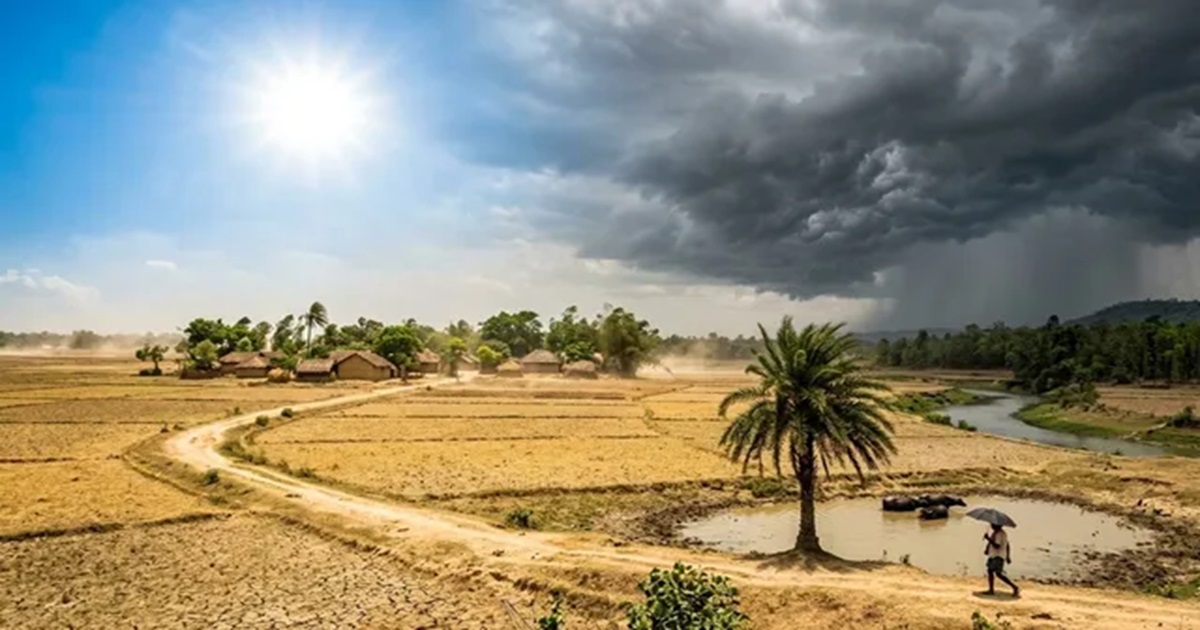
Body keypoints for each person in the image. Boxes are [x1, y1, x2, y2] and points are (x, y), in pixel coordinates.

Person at [983, 523, 1019, 597]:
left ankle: (1014, 587)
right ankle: (991, 589)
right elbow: (1007, 544)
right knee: (990, 571)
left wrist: (988, 538)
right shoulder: (996, 533)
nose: (991, 526)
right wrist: (987, 549)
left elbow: (997, 545)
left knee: (998, 574)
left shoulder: (1001, 534)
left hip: (998, 556)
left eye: (993, 525)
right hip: (993, 555)